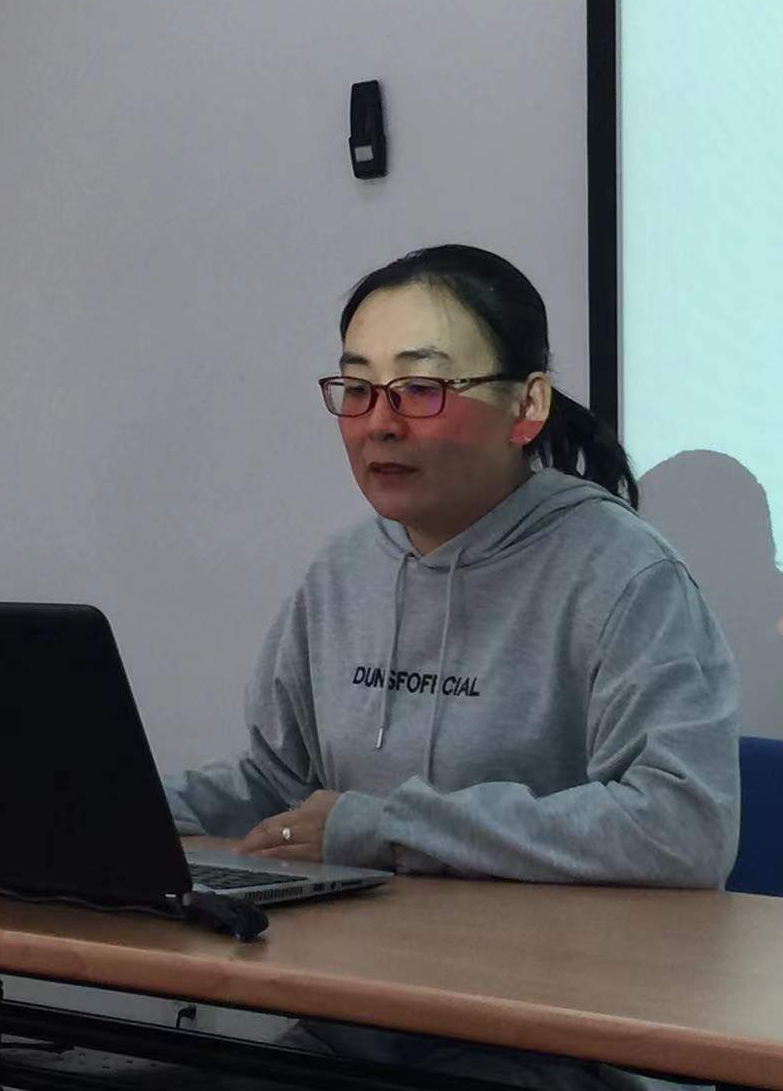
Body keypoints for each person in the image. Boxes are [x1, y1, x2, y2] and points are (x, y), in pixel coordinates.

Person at [163, 244, 738, 1090]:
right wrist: (117, 814)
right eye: (358, 388)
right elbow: (279, 789)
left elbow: (681, 829)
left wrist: (386, 828)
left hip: (557, 1042)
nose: (381, 422)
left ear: (526, 406)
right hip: (362, 1027)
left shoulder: (626, 575)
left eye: (422, 388)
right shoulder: (342, 572)